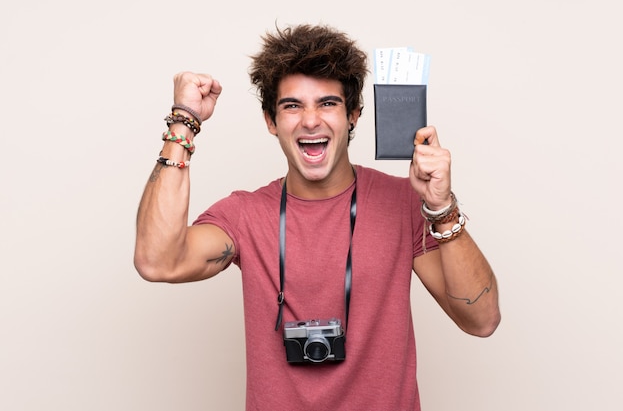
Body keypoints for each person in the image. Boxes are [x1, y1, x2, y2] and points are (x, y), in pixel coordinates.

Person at [134, 23, 500, 411]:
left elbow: (481, 320)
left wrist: (442, 209)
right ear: (271, 121)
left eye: (328, 103)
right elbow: (157, 261)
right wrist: (183, 120)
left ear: (354, 115)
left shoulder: (405, 203)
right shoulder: (244, 214)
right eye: (292, 106)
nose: (311, 121)